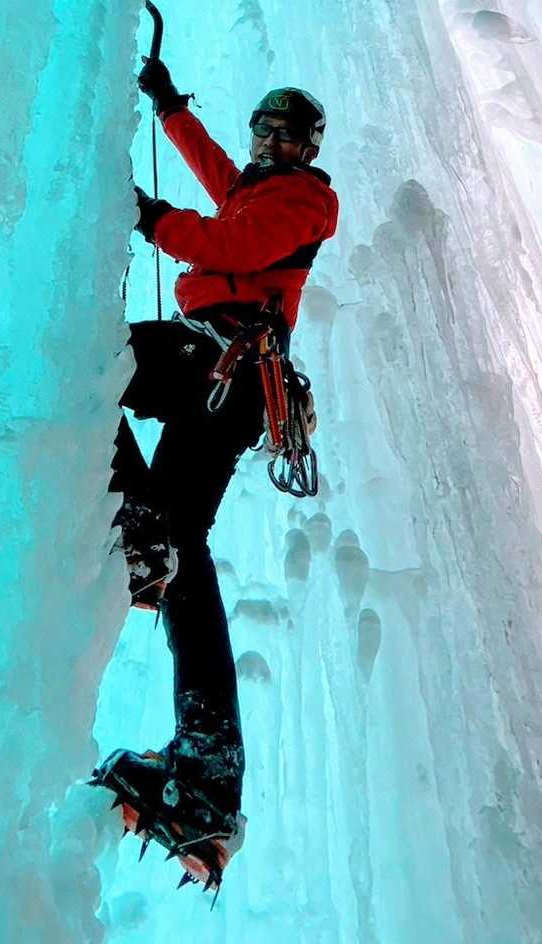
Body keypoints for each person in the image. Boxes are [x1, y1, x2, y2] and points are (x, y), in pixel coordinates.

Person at [92, 58, 339, 891]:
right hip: (225, 377)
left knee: (87, 360)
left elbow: (232, 243)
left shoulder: (308, 202)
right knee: (183, 546)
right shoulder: (255, 189)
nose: (274, 145)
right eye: (266, 131)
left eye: (290, 136)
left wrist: (147, 217)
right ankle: (207, 774)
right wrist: (169, 107)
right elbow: (218, 177)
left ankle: (137, 530)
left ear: (309, 149)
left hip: (224, 362)